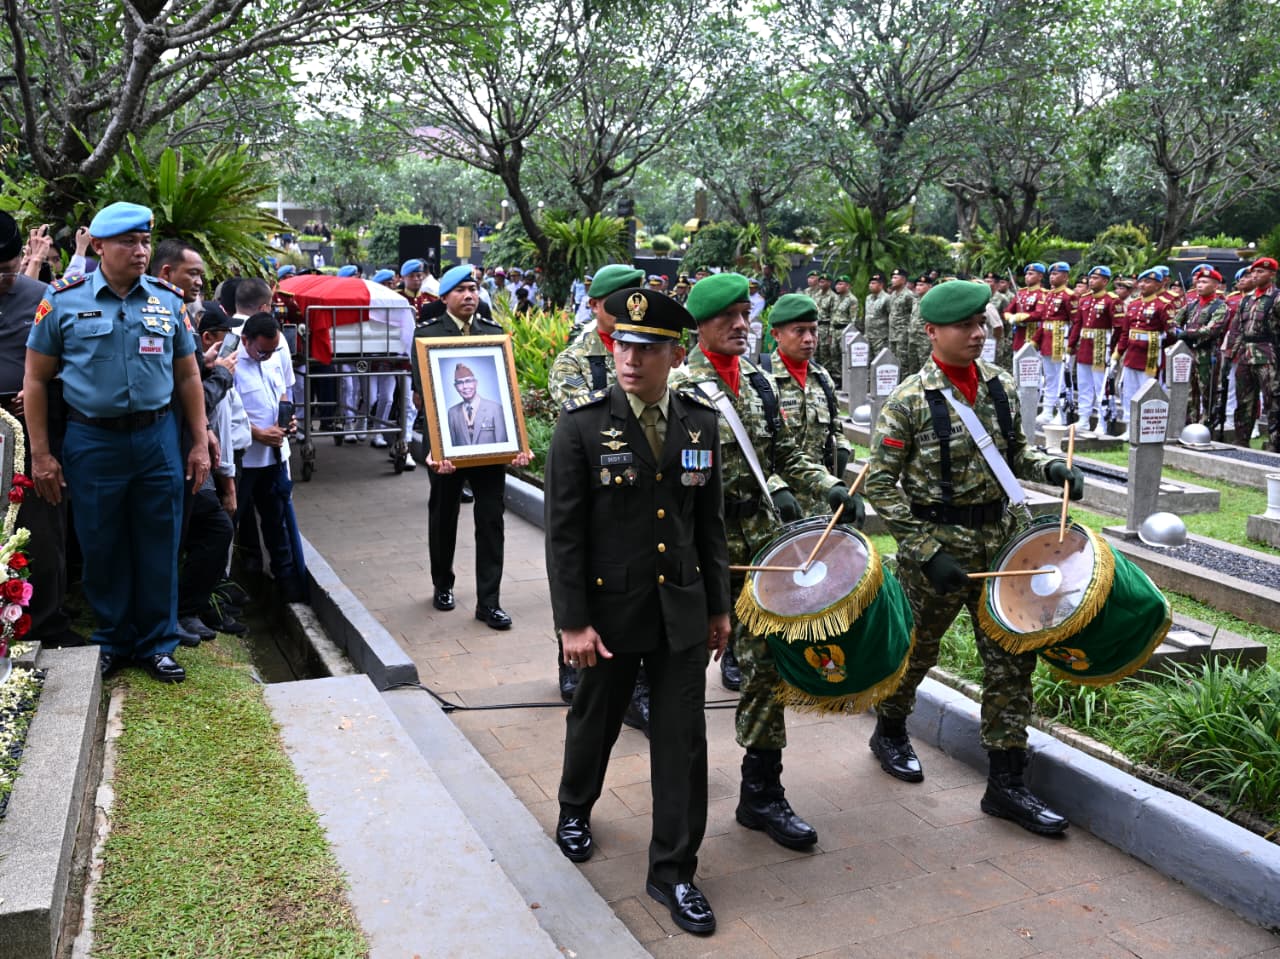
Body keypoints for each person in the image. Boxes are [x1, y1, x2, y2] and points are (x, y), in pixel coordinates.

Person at [864, 279, 1083, 834]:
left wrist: (1050, 468)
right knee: (916, 651)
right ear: (932, 331)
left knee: (1011, 661)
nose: (977, 335)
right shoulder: (910, 400)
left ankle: (1006, 784)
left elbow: (1016, 453)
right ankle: (890, 728)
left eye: (981, 324)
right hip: (936, 553)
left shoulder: (1001, 386)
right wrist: (923, 549)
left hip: (1003, 548)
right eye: (964, 326)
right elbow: (882, 485)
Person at [547, 286, 730, 937]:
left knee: (682, 740)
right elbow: (564, 534)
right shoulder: (582, 427)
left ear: (674, 354)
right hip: (610, 609)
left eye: (647, 348)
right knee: (594, 716)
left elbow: (709, 525)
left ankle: (674, 870)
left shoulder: (700, 423)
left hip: (680, 609)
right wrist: (572, 621)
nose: (631, 358)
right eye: (623, 343)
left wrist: (718, 607)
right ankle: (575, 808)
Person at [668, 273, 863, 851]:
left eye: (743, 315)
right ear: (700, 327)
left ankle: (761, 792)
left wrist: (828, 486)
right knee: (679, 668)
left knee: (763, 666)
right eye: (726, 317)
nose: (739, 326)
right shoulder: (683, 389)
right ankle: (662, 784)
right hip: (704, 548)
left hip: (762, 547)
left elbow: (783, 450)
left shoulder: (757, 381)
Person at [24, 201, 211, 682]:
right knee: (101, 540)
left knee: (159, 538)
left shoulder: (167, 301)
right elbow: (37, 380)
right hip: (93, 440)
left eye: (146, 241)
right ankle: (112, 638)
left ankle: (156, 642)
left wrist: (198, 443)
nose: (141, 250)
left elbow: (189, 376)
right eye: (129, 241)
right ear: (100, 246)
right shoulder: (62, 301)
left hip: (156, 439)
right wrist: (41, 455)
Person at [410, 264, 532, 630]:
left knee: (491, 520)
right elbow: (425, 398)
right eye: (461, 289)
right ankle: (442, 584)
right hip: (448, 448)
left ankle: (489, 602)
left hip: (489, 447)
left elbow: (506, 395)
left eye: (474, 289)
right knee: (444, 516)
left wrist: (516, 444)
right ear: (445, 296)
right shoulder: (427, 336)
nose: (470, 296)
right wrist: (434, 450)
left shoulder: (492, 334)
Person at [547, 263, 646, 700]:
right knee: (577, 567)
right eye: (619, 301)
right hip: (590, 485)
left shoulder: (650, 347)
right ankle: (570, 661)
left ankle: (635, 671)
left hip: (641, 486)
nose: (631, 308)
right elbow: (590, 426)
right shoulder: (574, 360)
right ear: (593, 306)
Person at [0, 211, 75, 645]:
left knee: (41, 528)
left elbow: (70, 360)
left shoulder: (45, 297)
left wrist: (44, 386)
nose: (2, 282)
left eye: (8, 274)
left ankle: (46, 622)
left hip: (32, 428)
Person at [234, 312, 307, 603]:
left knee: (277, 522)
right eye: (261, 351)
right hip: (245, 462)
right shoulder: (231, 365)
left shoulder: (275, 356)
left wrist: (289, 421)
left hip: (275, 458)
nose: (266, 357)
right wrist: (257, 433)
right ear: (245, 341)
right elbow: (227, 415)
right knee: (232, 522)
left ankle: (287, 584)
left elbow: (283, 395)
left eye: (272, 350)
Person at [761, 294, 852, 510]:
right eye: (799, 331)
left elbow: (834, 428)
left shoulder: (822, 378)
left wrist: (842, 449)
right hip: (779, 502)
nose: (809, 338)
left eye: (813, 330)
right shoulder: (762, 379)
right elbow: (755, 451)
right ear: (776, 334)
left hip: (820, 498)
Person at [1229, 257, 1279, 450]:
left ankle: (1275, 443)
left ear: (1272, 275)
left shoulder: (1276, 298)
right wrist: (1229, 356)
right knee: (1244, 401)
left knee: (1272, 401)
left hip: (1269, 355)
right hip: (1246, 355)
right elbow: (1238, 330)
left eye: (1261, 272)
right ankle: (1241, 441)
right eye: (1253, 272)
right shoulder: (1246, 300)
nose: (1256, 276)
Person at [1067, 266, 1124, 435]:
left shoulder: (1112, 300)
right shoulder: (1084, 299)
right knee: (1084, 386)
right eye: (1091, 277)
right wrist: (1070, 345)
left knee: (1102, 387)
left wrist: (1115, 351)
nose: (1092, 281)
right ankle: (1083, 419)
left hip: (1101, 346)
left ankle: (1102, 421)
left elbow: (1119, 328)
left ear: (1105, 281)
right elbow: (1077, 324)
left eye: (1096, 278)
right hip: (1084, 346)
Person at [1172, 264, 1230, 428]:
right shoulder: (1191, 305)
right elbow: (1174, 323)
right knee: (1190, 392)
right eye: (1198, 282)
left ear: (1215, 285)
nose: (1199, 285)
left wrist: (1187, 333)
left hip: (1207, 354)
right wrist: (1177, 331)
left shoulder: (1220, 306)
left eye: (1204, 282)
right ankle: (1190, 424)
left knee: (1207, 393)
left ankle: (1206, 425)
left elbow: (1211, 330)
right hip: (1188, 352)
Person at [1113, 268, 1172, 426]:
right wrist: (1117, 355)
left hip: (1151, 355)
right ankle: (1129, 424)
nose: (1143, 285)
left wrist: (1159, 344)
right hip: (1132, 354)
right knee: (1128, 392)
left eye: (1149, 282)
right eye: (1142, 282)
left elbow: (1171, 334)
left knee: (1148, 391)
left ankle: (1147, 426)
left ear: (1158, 285)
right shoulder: (1133, 305)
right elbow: (1125, 333)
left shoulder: (1163, 306)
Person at [1032, 262, 1077, 425]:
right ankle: (1048, 410)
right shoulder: (1049, 295)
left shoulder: (1069, 296)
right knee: (1050, 378)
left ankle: (1062, 412)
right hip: (1047, 340)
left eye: (1056, 274)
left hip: (1061, 339)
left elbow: (1076, 322)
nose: (1052, 277)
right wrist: (1035, 341)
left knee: (1062, 380)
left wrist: (1071, 345)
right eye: (1051, 274)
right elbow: (1043, 321)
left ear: (1065, 277)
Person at [445, 363, 508, 445]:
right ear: (455, 387)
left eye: (468, 381)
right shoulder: (452, 413)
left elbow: (503, 446)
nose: (465, 386)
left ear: (476, 383)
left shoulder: (495, 409)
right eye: (460, 383)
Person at [861, 271, 890, 357]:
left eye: (873, 283)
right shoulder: (868, 298)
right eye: (870, 283)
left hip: (880, 336)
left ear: (881, 285)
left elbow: (891, 316)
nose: (870, 285)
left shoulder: (887, 298)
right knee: (867, 360)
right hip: (868, 335)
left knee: (880, 359)